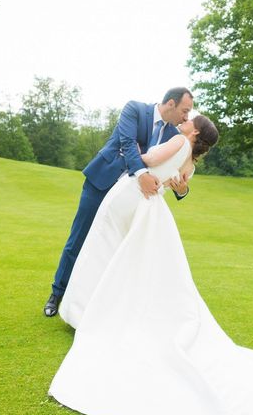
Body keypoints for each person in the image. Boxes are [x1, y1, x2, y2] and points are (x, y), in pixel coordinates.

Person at [49, 115, 253, 415]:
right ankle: (92, 309)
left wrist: (134, 152)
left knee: (104, 246)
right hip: (150, 205)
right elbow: (179, 183)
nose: (185, 120)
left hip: (134, 194)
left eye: (191, 119)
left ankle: (85, 311)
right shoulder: (190, 164)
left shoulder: (178, 141)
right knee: (125, 259)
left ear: (194, 131)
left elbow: (148, 159)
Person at [44, 87, 194, 317]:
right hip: (102, 182)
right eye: (185, 111)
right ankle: (57, 293)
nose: (186, 117)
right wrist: (143, 173)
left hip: (130, 199)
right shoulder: (135, 109)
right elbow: (127, 143)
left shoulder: (175, 135)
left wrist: (182, 190)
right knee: (79, 238)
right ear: (171, 103)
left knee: (112, 248)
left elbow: (173, 167)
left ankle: (93, 303)